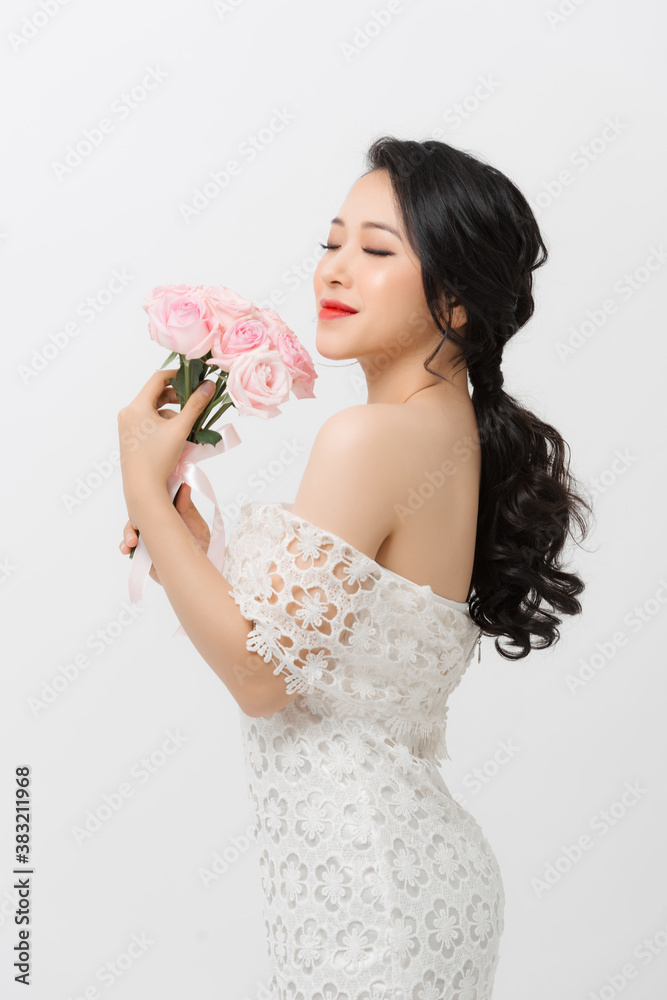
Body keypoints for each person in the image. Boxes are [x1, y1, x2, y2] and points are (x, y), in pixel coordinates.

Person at [117, 136, 593, 998]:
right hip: (392, 879)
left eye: (376, 251)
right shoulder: (445, 428)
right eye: (331, 242)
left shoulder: (369, 436)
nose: (334, 270)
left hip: (368, 897)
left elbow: (263, 678)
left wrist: (141, 483)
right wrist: (185, 545)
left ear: (454, 301)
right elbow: (314, 647)